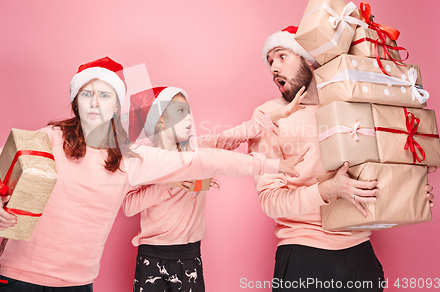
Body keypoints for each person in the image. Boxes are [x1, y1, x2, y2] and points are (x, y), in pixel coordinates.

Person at [0, 57, 301, 292]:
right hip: (19, 277)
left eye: (105, 94)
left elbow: (207, 159)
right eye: (87, 93)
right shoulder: (49, 137)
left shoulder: (130, 158)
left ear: (117, 106)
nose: (95, 102)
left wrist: (270, 165)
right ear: (75, 102)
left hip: (77, 283)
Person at [248, 26, 435, 291]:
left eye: (281, 56)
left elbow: (375, 171)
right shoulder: (266, 116)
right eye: (269, 62)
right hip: (305, 254)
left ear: (309, 59)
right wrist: (327, 190)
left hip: (361, 253)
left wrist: (409, 190)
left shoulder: (350, 106)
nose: (273, 69)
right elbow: (270, 201)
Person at [122, 85, 308, 292]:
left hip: (189, 256)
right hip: (152, 257)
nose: (190, 118)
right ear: (161, 118)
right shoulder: (145, 158)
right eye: (181, 112)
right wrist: (169, 185)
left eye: (189, 112)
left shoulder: (196, 149)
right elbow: (129, 206)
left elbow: (230, 137)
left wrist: (276, 115)